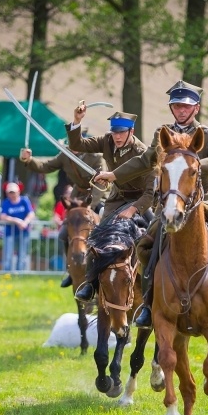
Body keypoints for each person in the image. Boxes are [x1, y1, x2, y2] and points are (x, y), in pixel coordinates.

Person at [93, 80, 208, 324]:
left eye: (186, 106)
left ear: (196, 108)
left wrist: (189, 165)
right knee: (145, 246)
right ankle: (149, 305)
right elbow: (144, 160)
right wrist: (114, 174)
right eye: (177, 106)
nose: (181, 110)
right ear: (172, 108)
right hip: (173, 202)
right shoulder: (163, 134)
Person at [64, 109, 155, 303]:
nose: (117, 136)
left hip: (140, 201)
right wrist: (77, 121)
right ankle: (90, 284)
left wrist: (132, 210)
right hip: (116, 199)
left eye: (122, 132)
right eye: (114, 132)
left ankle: (153, 287)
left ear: (132, 132)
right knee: (97, 237)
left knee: (155, 238)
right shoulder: (107, 141)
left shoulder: (143, 153)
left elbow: (150, 193)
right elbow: (77, 144)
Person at [19, 138, 107, 287]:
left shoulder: (96, 156)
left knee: (106, 226)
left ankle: (107, 267)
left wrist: (90, 206)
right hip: (76, 199)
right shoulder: (65, 155)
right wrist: (29, 160)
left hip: (96, 197)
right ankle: (71, 271)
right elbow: (45, 166)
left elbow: (100, 182)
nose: (71, 147)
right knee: (63, 233)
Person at [0, 182, 35, 271]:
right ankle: (6, 275)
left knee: (22, 255)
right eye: (10, 192)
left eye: (13, 192)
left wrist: (25, 222)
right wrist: (17, 221)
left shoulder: (24, 201)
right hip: (10, 233)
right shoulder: (6, 203)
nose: (12, 194)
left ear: (18, 192)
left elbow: (31, 214)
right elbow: (2, 217)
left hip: (23, 233)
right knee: (8, 256)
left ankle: (20, 275)